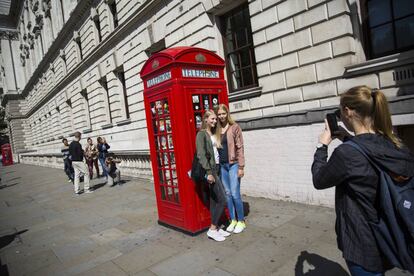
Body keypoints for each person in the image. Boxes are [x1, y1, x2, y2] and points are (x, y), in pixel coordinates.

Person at [312, 86, 414, 275]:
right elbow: (368, 156)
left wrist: (322, 145)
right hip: (389, 238)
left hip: (362, 245)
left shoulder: (347, 154)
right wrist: (347, 138)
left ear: (348, 112)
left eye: (341, 111)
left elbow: (319, 179)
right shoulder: (393, 143)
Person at [196, 109, 230, 242]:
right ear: (205, 119)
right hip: (211, 171)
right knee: (223, 199)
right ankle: (212, 228)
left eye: (216, 119)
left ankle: (216, 227)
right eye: (212, 119)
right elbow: (201, 155)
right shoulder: (202, 134)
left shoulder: (213, 133)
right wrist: (209, 173)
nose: (215, 121)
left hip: (218, 167)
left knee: (215, 200)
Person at [216, 104, 246, 234]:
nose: (221, 116)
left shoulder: (235, 127)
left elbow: (240, 147)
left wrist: (241, 166)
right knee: (227, 194)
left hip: (233, 165)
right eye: (219, 114)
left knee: (235, 193)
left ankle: (241, 221)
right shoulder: (216, 130)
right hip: (222, 166)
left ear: (227, 114)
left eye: (223, 113)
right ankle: (233, 220)